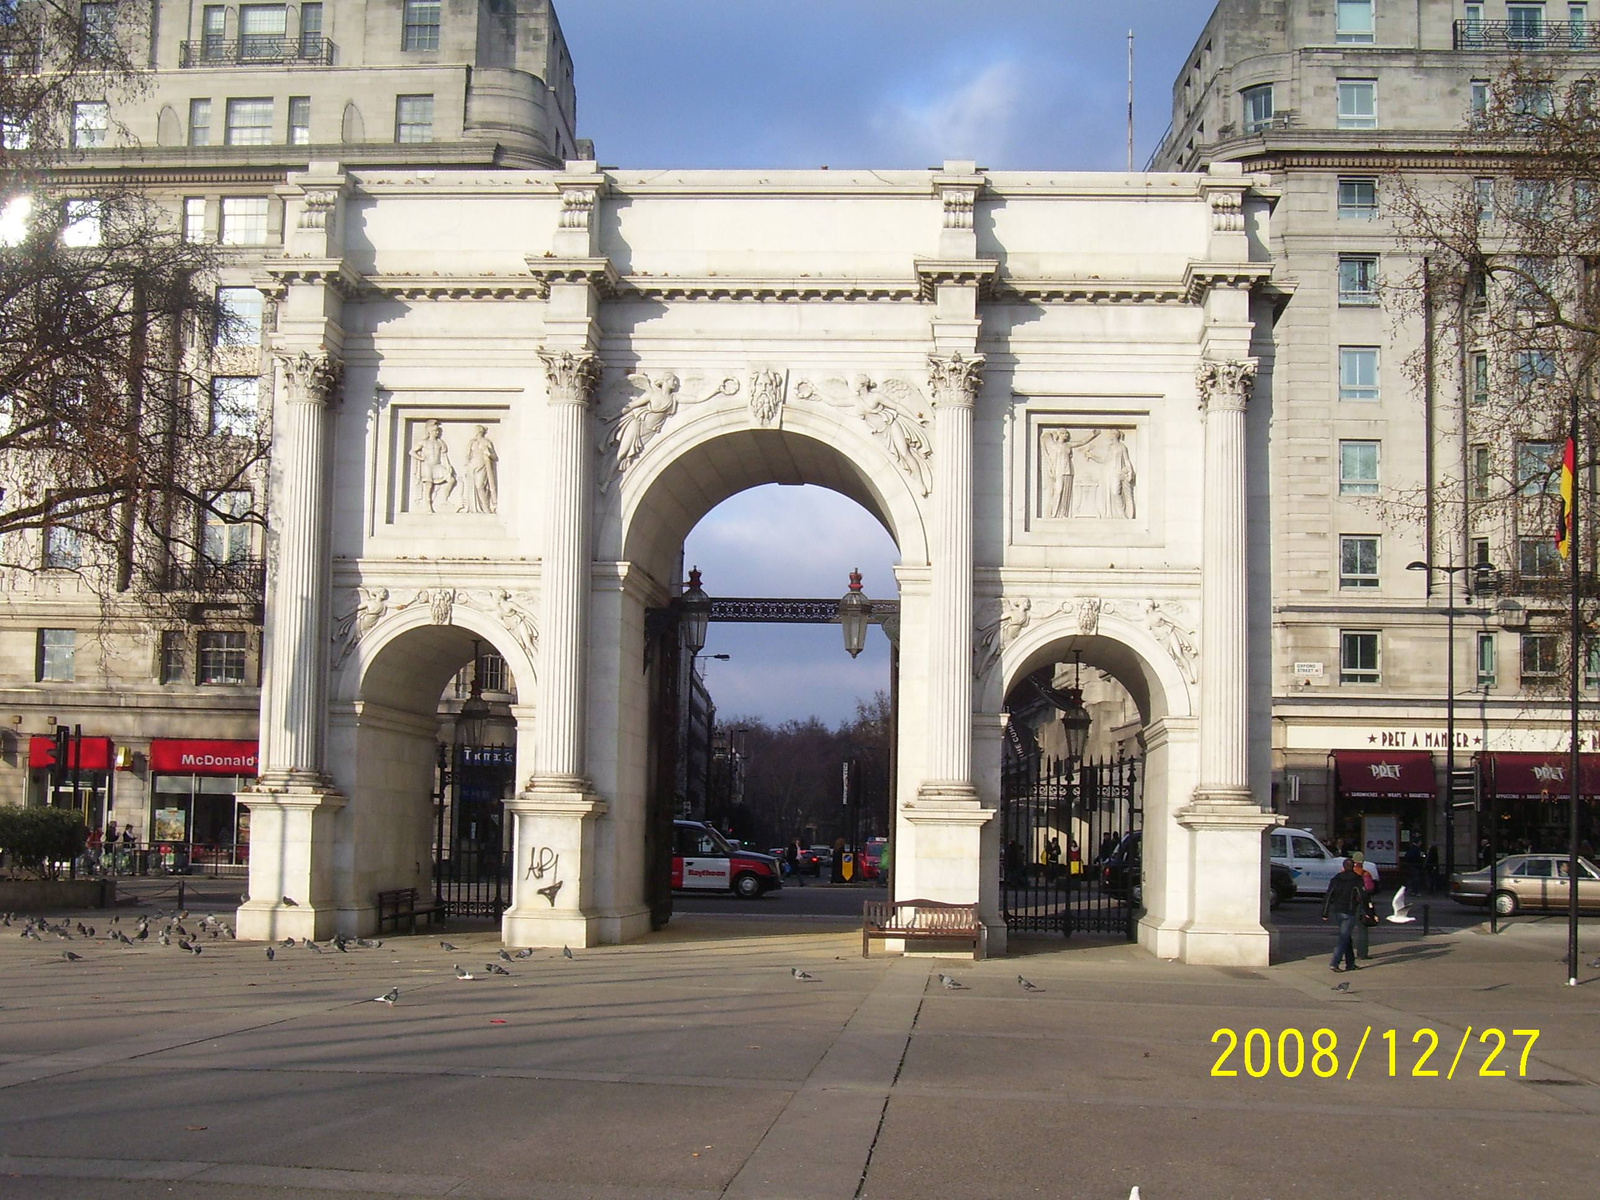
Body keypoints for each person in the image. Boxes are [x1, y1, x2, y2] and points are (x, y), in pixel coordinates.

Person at [1322, 858, 1365, 973]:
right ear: (1353, 867)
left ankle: (1350, 963)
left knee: (1347, 937)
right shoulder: (1357, 879)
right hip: (1349, 911)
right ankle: (1334, 963)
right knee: (1343, 938)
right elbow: (1362, 896)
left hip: (1338, 911)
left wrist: (1325, 912)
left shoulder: (1336, 879)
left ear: (1343, 867)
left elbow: (1329, 895)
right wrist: (1366, 911)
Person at [1351, 854, 1378, 961]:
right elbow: (1369, 889)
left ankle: (1342, 953)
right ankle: (1362, 954)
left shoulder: (1345, 872)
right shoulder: (1365, 874)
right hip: (1360, 904)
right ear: (1362, 861)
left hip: (1346, 904)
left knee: (1345, 931)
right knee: (1362, 930)